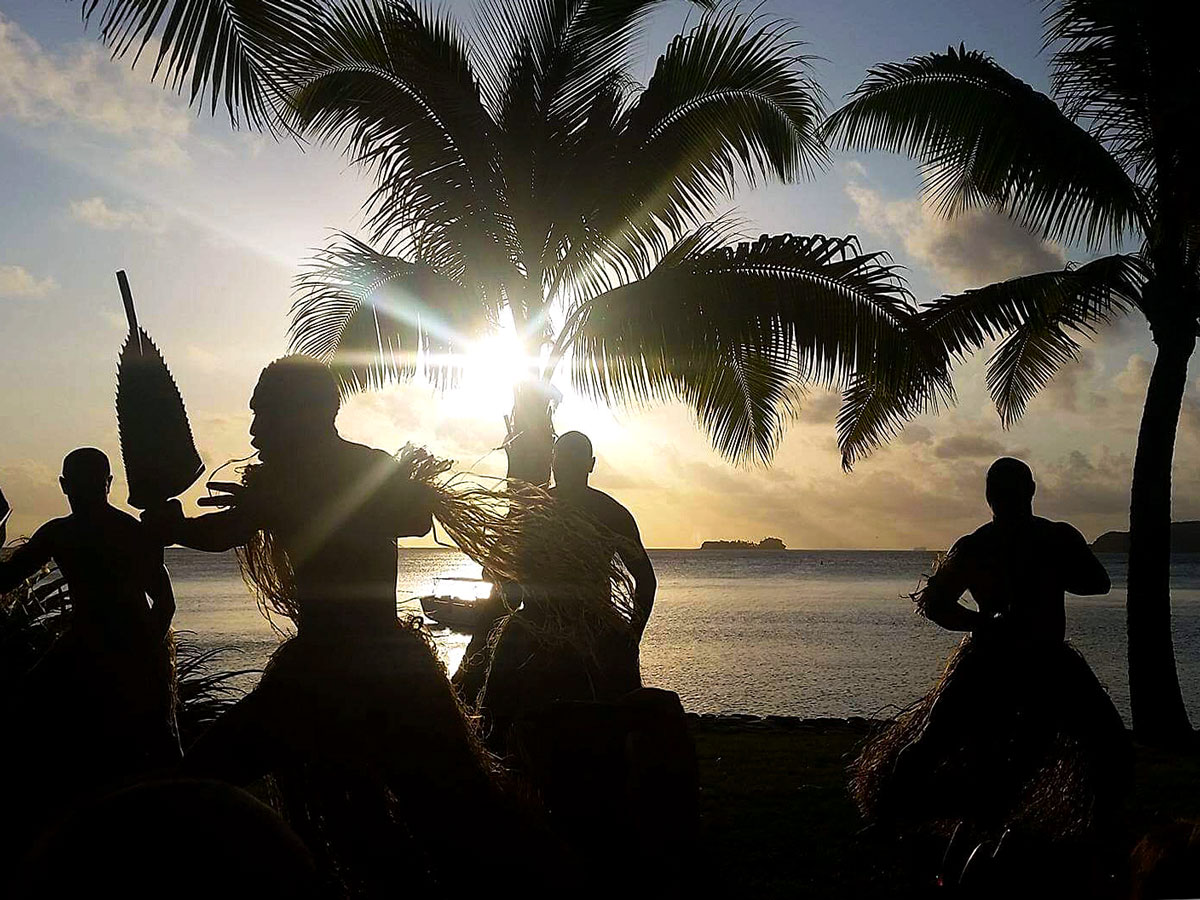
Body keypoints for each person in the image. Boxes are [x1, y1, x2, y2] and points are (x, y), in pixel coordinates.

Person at [141, 355, 529, 892]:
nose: (254, 431)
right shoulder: (321, 475)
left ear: (306, 413)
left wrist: (197, 522)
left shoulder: (315, 477)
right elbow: (225, 530)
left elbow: (414, 519)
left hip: (341, 670)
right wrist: (180, 526)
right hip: (373, 667)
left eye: (264, 414)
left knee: (445, 803)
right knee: (427, 799)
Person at [850, 458, 1130, 859]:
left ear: (1029, 492)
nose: (1004, 500)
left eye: (1010, 491)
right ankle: (886, 822)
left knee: (1107, 745)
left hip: (1049, 661)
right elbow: (935, 603)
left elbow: (1098, 583)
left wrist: (1052, 572)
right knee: (931, 739)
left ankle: (1096, 828)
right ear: (990, 497)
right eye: (998, 492)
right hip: (988, 657)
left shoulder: (1056, 538)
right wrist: (983, 620)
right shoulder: (976, 545)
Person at [0, 448, 180, 783]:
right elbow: (7, 579)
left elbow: (165, 602)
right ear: (67, 485)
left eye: (91, 483)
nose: (85, 491)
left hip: (127, 644)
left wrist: (144, 653)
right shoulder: (63, 533)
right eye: (82, 484)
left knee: (157, 743)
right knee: (26, 706)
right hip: (87, 642)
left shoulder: (118, 531)